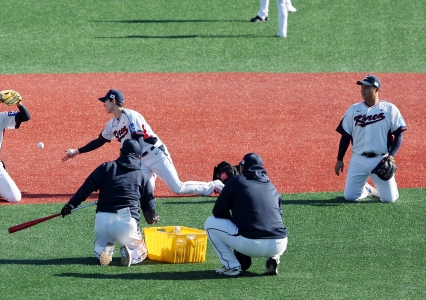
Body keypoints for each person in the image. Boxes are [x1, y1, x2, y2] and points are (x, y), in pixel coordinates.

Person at [62, 89, 222, 196]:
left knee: (177, 188)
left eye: (105, 101)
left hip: (155, 154)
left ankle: (214, 185)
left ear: (113, 100)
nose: (103, 104)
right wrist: (77, 151)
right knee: (141, 193)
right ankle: (150, 179)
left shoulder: (131, 116)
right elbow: (100, 141)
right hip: (141, 160)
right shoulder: (112, 124)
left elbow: (138, 138)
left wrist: (134, 161)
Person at [61, 140, 158, 267]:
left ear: (120, 152)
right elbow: (149, 213)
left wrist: (71, 205)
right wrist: (154, 218)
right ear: (139, 157)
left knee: (99, 247)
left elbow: (87, 186)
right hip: (126, 219)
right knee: (141, 251)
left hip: (103, 218)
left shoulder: (106, 167)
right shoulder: (142, 176)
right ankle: (131, 255)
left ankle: (104, 251)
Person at [204, 153, 288, 276]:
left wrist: (235, 221)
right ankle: (273, 257)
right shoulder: (271, 186)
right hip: (279, 243)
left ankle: (231, 266)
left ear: (243, 167)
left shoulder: (237, 181)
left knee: (210, 223)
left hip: (251, 244)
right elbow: (278, 214)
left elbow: (218, 211)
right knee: (270, 225)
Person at [335, 75, 407, 202]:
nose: (363, 90)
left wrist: (391, 157)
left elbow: (399, 134)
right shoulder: (353, 110)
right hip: (358, 159)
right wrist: (339, 159)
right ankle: (367, 190)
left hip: (380, 160)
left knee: (389, 199)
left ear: (376, 89)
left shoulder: (390, 109)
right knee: (350, 197)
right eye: (362, 87)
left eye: (367, 87)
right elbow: (345, 136)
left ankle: (388, 191)